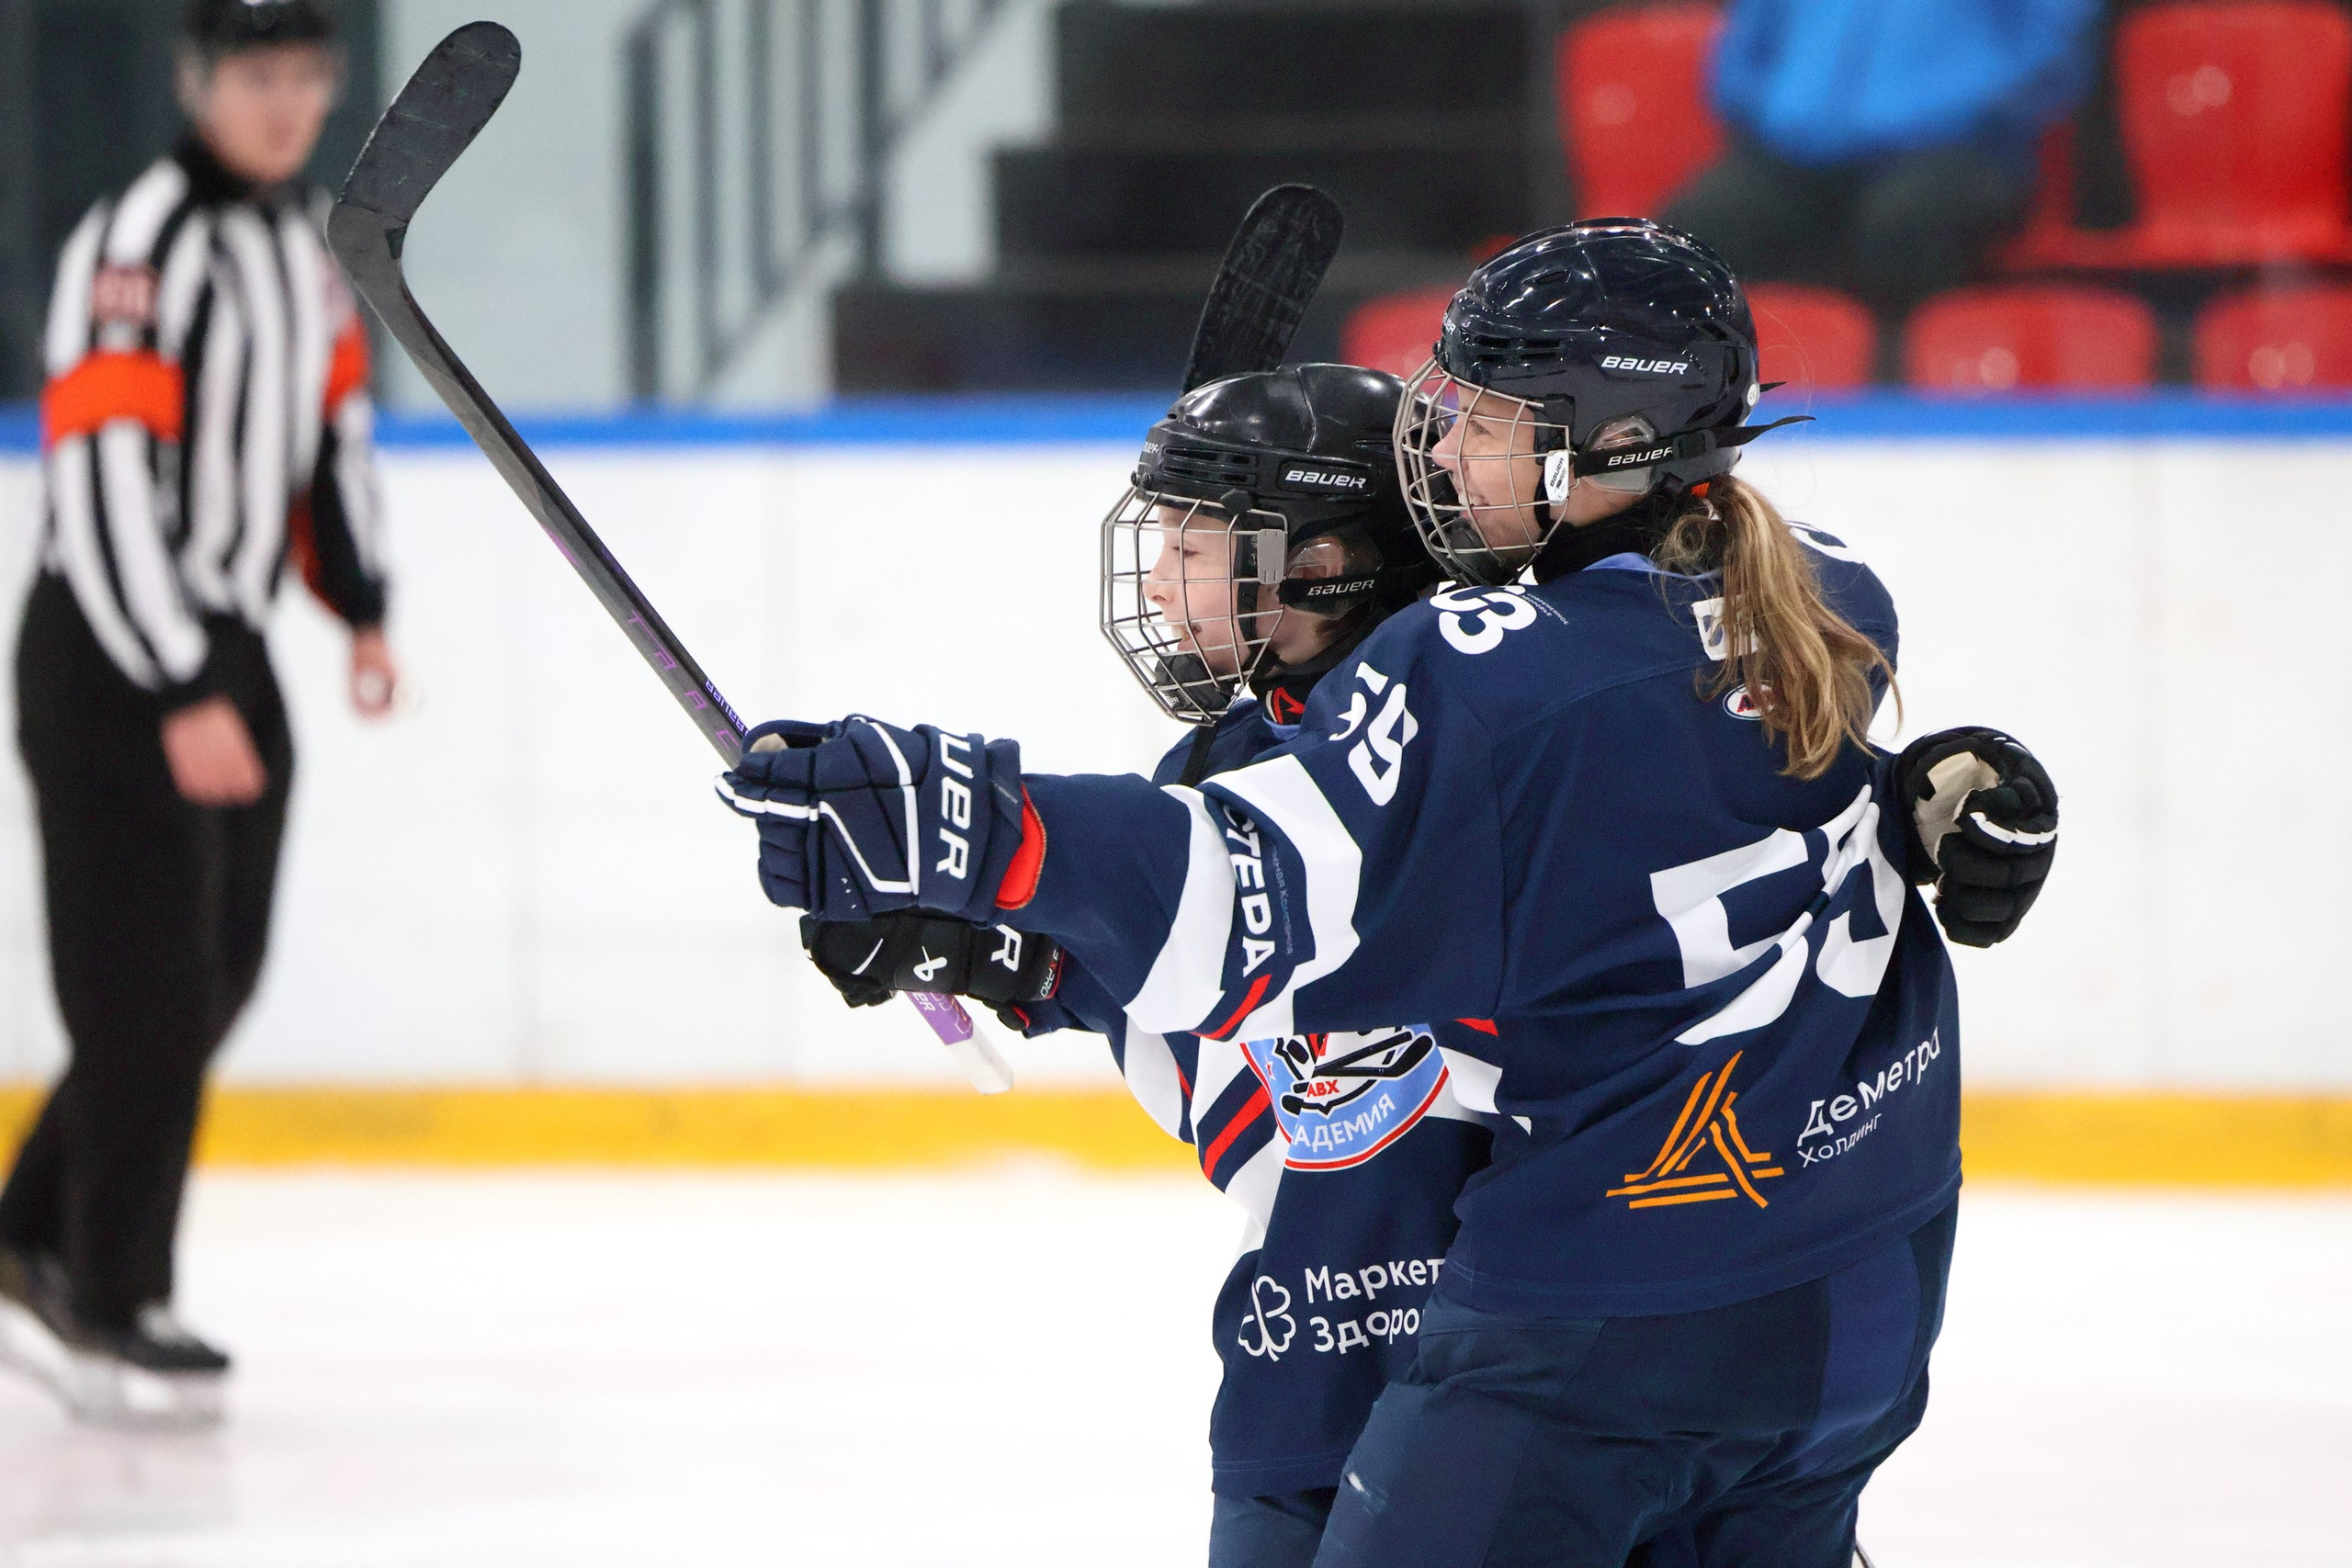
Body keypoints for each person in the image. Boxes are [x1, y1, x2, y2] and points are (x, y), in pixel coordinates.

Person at [743, 234, 2057, 1559]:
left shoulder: (1486, 689)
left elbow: (1243, 906)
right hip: (1862, 1282)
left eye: (1481, 422)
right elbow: (1675, 805)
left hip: (1599, 1326)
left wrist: (957, 817)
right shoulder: (1816, 587)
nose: (1438, 449)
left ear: (1603, 440)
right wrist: (1949, 788)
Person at [799, 364, 1498, 1568]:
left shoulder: (1482, 730)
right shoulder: (1228, 752)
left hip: (1516, 1363)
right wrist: (975, 945)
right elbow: (1172, 973)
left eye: (1195, 545)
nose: (1164, 583)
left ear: (1326, 564)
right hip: (1310, 1353)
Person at [0, 0, 395, 1427]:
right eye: (254, 76)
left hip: (225, 644)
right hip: (112, 648)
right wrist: (170, 678)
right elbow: (98, 470)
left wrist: (361, 604)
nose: (283, 103)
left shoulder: (303, 251)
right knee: (143, 989)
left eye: (304, 75)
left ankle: (29, 1229)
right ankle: (110, 1293)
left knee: (210, 976)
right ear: (196, 82)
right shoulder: (137, 240)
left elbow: (330, 438)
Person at [1660, 0, 2102, 327]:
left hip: (1957, 147)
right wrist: (1772, 112)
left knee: (1906, 225)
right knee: (1690, 238)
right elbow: (1743, 53)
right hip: (1795, 151)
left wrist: (1959, 106)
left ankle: (1899, 406)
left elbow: (2055, 51)